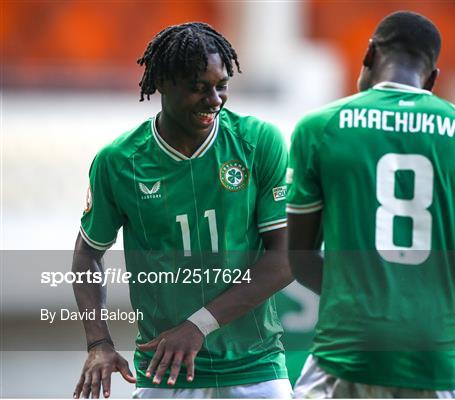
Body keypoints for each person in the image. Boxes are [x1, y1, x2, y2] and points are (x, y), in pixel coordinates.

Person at [287, 11, 455, 398]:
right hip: (439, 357)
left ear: (368, 56)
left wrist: (355, 301)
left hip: (350, 350)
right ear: (432, 78)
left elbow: (299, 255)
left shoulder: (320, 127)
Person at [72, 22, 292, 399]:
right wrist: (99, 344)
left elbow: (288, 256)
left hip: (256, 367)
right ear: (163, 83)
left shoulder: (259, 141)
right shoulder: (119, 161)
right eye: (198, 87)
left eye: (221, 85)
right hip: (164, 373)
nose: (215, 99)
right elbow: (87, 254)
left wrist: (199, 325)